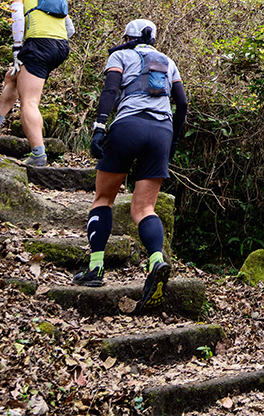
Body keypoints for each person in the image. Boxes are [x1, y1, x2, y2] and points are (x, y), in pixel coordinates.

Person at [71, 18, 187, 310]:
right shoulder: (167, 61)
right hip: (162, 131)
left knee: (103, 199)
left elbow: (110, 91)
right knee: (144, 208)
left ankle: (96, 268)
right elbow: (182, 103)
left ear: (127, 35)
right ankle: (156, 261)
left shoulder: (119, 55)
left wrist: (99, 126)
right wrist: (174, 141)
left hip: (128, 126)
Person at [0, 0, 74, 167]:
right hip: (61, 47)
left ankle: (38, 154)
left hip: (38, 45)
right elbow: (70, 29)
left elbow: (17, 20)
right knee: (12, 76)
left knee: (30, 101)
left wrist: (17, 48)